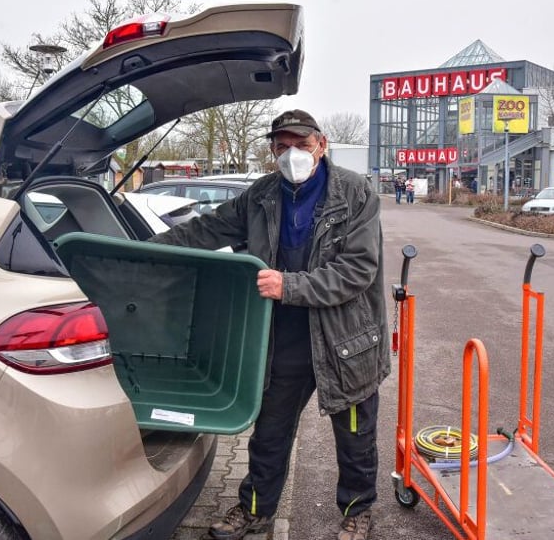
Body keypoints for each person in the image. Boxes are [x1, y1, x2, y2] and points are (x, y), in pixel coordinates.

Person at [150, 109, 388, 540]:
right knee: (270, 434)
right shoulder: (260, 196)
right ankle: (255, 509)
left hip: (347, 339)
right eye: (282, 146)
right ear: (272, 150)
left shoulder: (355, 193)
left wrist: (289, 286)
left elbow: (358, 270)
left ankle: (357, 512)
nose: (292, 153)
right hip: (284, 339)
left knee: (356, 438)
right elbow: (205, 229)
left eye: (301, 144)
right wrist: (144, 249)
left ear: (322, 144)